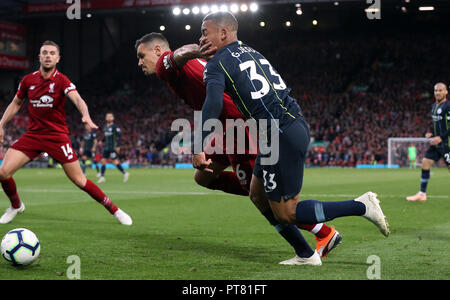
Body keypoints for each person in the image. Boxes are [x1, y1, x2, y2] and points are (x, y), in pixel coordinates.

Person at [195, 12, 389, 265]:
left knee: (287, 213)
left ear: (222, 33)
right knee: (257, 194)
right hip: (283, 128)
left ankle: (361, 206)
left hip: (280, 133)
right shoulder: (252, 52)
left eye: (204, 32)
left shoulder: (216, 64)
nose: (201, 38)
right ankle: (306, 254)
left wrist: (199, 147)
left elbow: (212, 105)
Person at [135, 32, 342, 263]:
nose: (139, 63)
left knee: (260, 197)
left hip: (239, 126)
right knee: (204, 177)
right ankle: (300, 219)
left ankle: (314, 242)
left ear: (157, 51)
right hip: (225, 128)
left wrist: (196, 49)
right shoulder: (195, 66)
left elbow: (182, 52)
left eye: (141, 56)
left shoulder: (169, 65)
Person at [0, 40, 132, 225]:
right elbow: (15, 103)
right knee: (3, 172)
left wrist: (85, 115)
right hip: (33, 135)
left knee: (80, 180)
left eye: (52, 53)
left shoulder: (62, 80)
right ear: (39, 56)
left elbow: (77, 99)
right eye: (44, 52)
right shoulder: (28, 80)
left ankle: (115, 210)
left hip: (57, 137)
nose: (48, 56)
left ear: (58, 58)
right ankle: (16, 206)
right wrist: (1, 123)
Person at [407, 82, 450, 202]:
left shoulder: (448, 106)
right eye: (436, 90)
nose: (438, 92)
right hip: (436, 143)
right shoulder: (434, 106)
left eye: (440, 90)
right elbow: (436, 124)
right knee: (425, 163)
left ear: (446, 92)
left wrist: (441, 138)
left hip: (447, 144)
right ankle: (422, 194)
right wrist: (430, 132)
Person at [97, 112, 129, 183]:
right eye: (107, 116)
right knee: (103, 161)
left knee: (115, 162)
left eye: (110, 116)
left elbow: (120, 136)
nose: (108, 118)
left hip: (112, 147)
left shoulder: (115, 127)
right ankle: (102, 177)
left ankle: (125, 173)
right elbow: (105, 136)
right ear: (106, 118)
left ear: (113, 118)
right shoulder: (105, 127)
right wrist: (101, 141)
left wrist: (118, 146)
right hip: (106, 147)